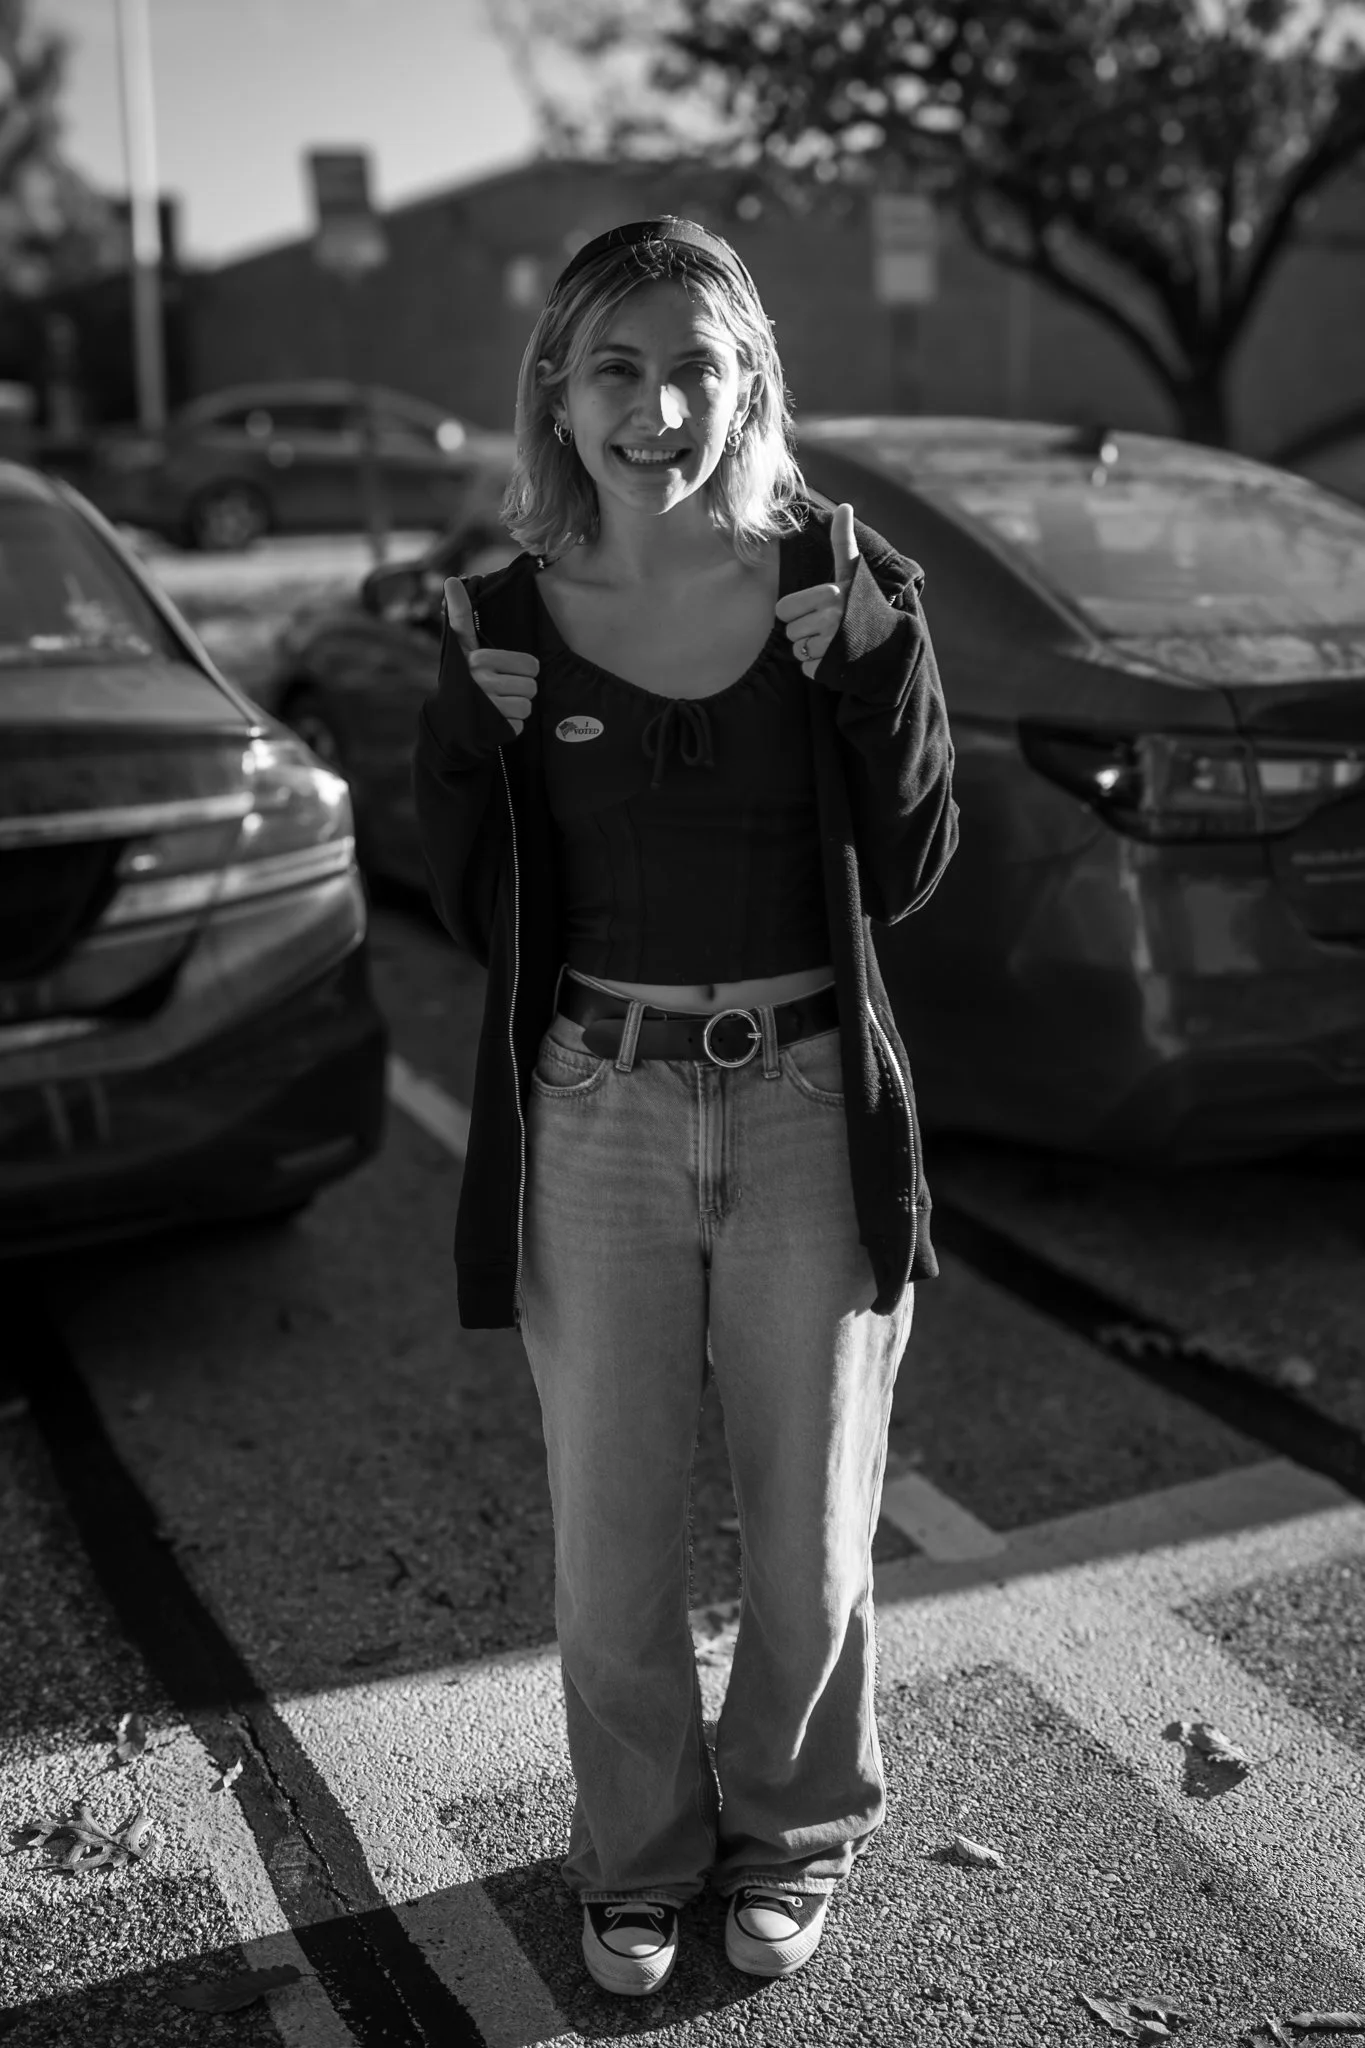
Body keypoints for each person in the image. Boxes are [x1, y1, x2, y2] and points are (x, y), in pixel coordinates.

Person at [413, 216, 957, 2000]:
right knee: (617, 1534)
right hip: (598, 1108)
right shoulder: (501, 623)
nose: (659, 406)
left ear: (754, 380)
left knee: (810, 1528)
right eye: (617, 371)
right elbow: (467, 901)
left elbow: (918, 862)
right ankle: (637, 1860)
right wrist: (461, 748)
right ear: (558, 399)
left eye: (694, 366)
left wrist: (879, 674)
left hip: (807, 1098)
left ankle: (791, 1829)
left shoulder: (836, 587)